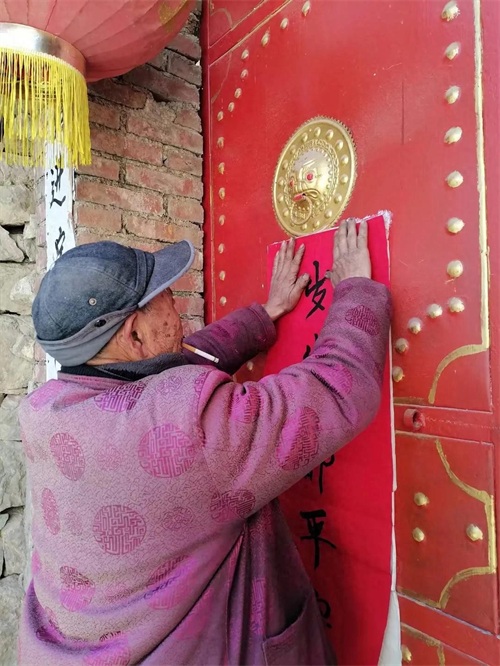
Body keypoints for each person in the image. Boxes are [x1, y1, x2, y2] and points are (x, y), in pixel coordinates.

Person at [18, 219, 390, 665]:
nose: (177, 307)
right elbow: (338, 388)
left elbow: (171, 362)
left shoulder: (43, 410)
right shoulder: (187, 428)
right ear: (135, 335)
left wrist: (265, 314)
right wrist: (356, 290)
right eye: (165, 298)